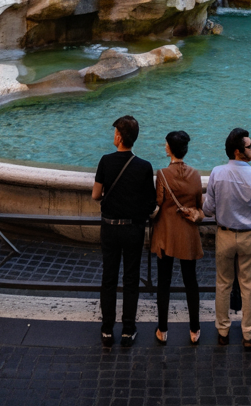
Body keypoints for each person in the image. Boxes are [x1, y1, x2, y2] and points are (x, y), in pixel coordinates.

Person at [203, 127, 251, 349]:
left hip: (223, 234)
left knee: (223, 283)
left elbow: (208, 208)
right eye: (250, 146)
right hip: (249, 236)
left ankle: (223, 331)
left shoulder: (216, 173)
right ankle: (249, 334)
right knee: (248, 285)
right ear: (239, 151)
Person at [92, 115, 156, 346]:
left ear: (119, 137)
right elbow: (151, 203)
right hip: (133, 230)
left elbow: (95, 195)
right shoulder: (144, 166)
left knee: (108, 278)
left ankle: (107, 330)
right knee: (131, 280)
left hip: (109, 229)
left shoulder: (105, 161)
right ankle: (128, 330)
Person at [151, 130, 204, 345]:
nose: (164, 146)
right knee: (191, 281)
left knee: (164, 282)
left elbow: (159, 202)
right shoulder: (196, 174)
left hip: (166, 234)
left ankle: (162, 330)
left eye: (166, 144)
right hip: (188, 235)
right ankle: (194, 330)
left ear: (169, 149)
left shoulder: (162, 174)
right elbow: (199, 205)